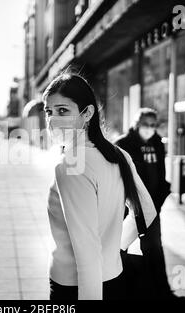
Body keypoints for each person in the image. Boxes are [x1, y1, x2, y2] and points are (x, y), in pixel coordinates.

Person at [44, 73, 157, 300]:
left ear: (87, 113)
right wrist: (115, 248)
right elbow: (147, 211)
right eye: (49, 111)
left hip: (76, 287)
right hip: (114, 277)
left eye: (63, 110)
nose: (52, 120)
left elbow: (86, 254)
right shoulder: (119, 154)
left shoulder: (71, 165)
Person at [115, 108, 184, 300]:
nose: (150, 129)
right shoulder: (123, 144)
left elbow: (161, 176)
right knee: (123, 250)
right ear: (136, 124)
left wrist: (158, 202)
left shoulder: (157, 143)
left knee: (154, 250)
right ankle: (123, 292)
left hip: (152, 208)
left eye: (153, 125)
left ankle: (162, 293)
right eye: (146, 124)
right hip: (129, 211)